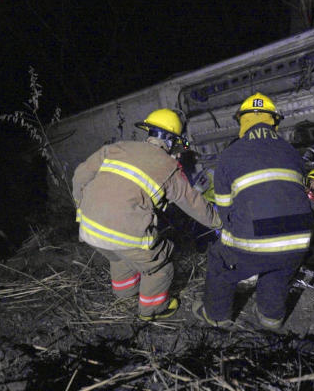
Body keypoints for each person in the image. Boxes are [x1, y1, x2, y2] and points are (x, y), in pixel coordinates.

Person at [72, 108, 222, 321]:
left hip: (88, 228)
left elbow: (80, 175)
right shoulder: (169, 167)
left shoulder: (116, 148)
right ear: (170, 141)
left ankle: (125, 293)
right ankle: (152, 310)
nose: (178, 152)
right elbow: (194, 204)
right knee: (160, 265)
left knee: (118, 256)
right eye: (176, 145)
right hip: (125, 233)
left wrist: (81, 205)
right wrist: (219, 221)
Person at [192, 93, 314, 330]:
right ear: (274, 121)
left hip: (256, 237)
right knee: (278, 268)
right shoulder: (291, 152)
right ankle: (271, 317)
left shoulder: (230, 154)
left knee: (220, 258)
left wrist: (237, 236)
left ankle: (216, 316)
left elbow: (225, 210)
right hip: (299, 238)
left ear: (242, 121)